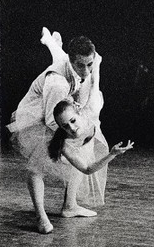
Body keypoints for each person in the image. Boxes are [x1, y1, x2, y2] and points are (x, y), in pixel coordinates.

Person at [7, 27, 107, 234]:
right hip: (38, 116)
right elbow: (52, 121)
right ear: (71, 61)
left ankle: (70, 206)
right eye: (81, 65)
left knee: (85, 139)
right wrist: (72, 137)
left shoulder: (80, 64)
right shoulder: (57, 83)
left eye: (90, 64)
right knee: (37, 166)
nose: (86, 70)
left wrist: (53, 45)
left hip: (63, 108)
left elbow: (77, 63)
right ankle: (41, 217)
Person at [49, 98, 133, 220]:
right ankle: (68, 207)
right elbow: (87, 169)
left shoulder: (90, 110)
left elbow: (93, 83)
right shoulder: (65, 146)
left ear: (79, 112)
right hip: (67, 148)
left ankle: (69, 206)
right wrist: (112, 154)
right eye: (65, 126)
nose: (71, 128)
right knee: (38, 172)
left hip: (84, 142)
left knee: (78, 167)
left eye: (73, 121)